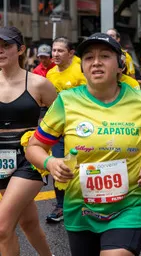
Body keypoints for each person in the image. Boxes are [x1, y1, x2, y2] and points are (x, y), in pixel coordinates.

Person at [26, 33, 141, 256]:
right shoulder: (67, 102)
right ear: (82, 67)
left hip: (130, 205)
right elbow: (34, 146)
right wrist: (51, 162)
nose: (96, 62)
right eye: (88, 58)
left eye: (105, 56)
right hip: (80, 208)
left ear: (120, 65)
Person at [0, 26, 57, 255]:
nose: (1, 51)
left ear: (21, 49)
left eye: (6, 46)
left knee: (3, 228)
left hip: (29, 157)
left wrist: (56, 155)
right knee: (28, 222)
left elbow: (63, 120)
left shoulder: (38, 84)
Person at [46, 37, 86, 223]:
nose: (55, 54)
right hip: (59, 129)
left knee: (81, 166)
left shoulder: (80, 71)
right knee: (58, 165)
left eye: (60, 51)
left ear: (71, 53)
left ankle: (86, 203)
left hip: (81, 128)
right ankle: (60, 205)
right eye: (54, 50)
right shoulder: (51, 74)